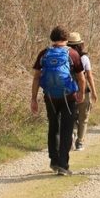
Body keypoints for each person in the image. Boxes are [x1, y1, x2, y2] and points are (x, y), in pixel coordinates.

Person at [30, 26, 85, 176]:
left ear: (52, 38)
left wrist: (34, 99)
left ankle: (54, 160)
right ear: (66, 39)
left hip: (50, 97)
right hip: (69, 97)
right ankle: (63, 165)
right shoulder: (72, 54)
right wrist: (81, 93)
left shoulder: (44, 54)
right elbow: (81, 77)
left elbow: (36, 77)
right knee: (67, 129)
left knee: (53, 127)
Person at [68, 32, 97, 151]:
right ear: (80, 44)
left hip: (69, 91)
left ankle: (72, 133)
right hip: (83, 90)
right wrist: (94, 91)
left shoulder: (66, 56)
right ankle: (80, 142)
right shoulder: (84, 58)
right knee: (83, 118)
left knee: (72, 116)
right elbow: (89, 76)